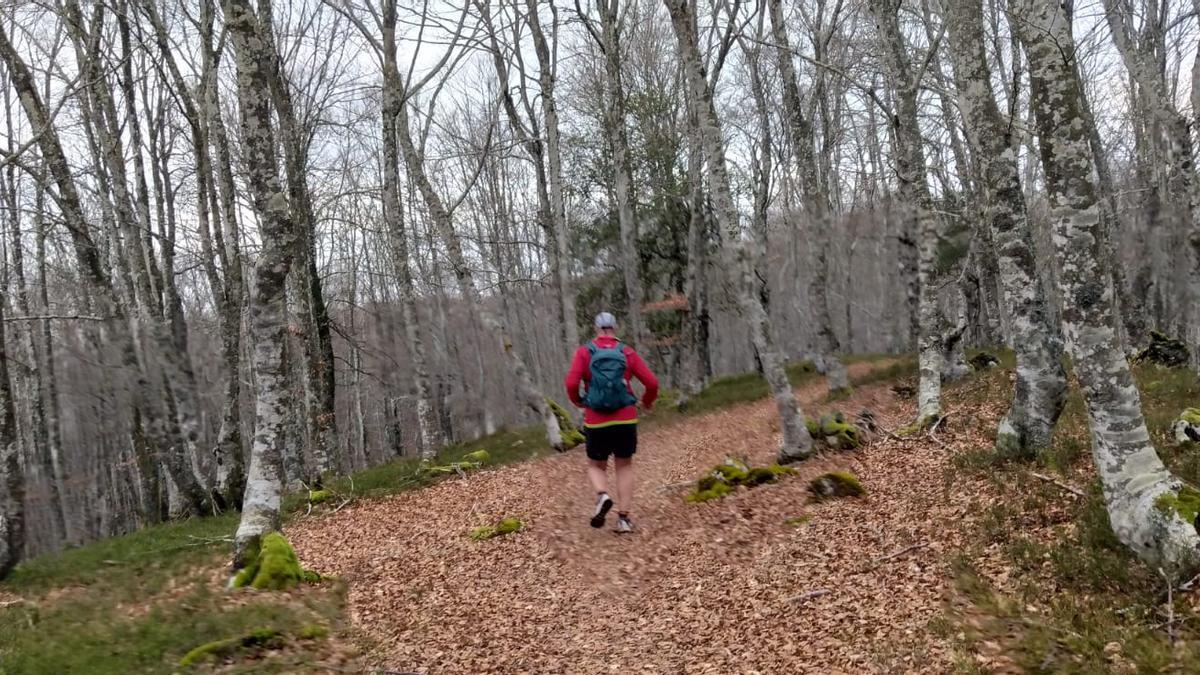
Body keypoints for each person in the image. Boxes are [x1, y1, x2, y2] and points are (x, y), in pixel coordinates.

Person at [564, 312, 658, 533]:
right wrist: (647, 402)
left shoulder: (584, 352)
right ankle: (624, 520)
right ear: (614, 328)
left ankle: (602, 495)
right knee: (624, 465)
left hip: (596, 418)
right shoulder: (627, 352)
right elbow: (652, 383)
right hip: (625, 417)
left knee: (595, 465)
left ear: (596, 329)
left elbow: (570, 383)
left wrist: (579, 401)